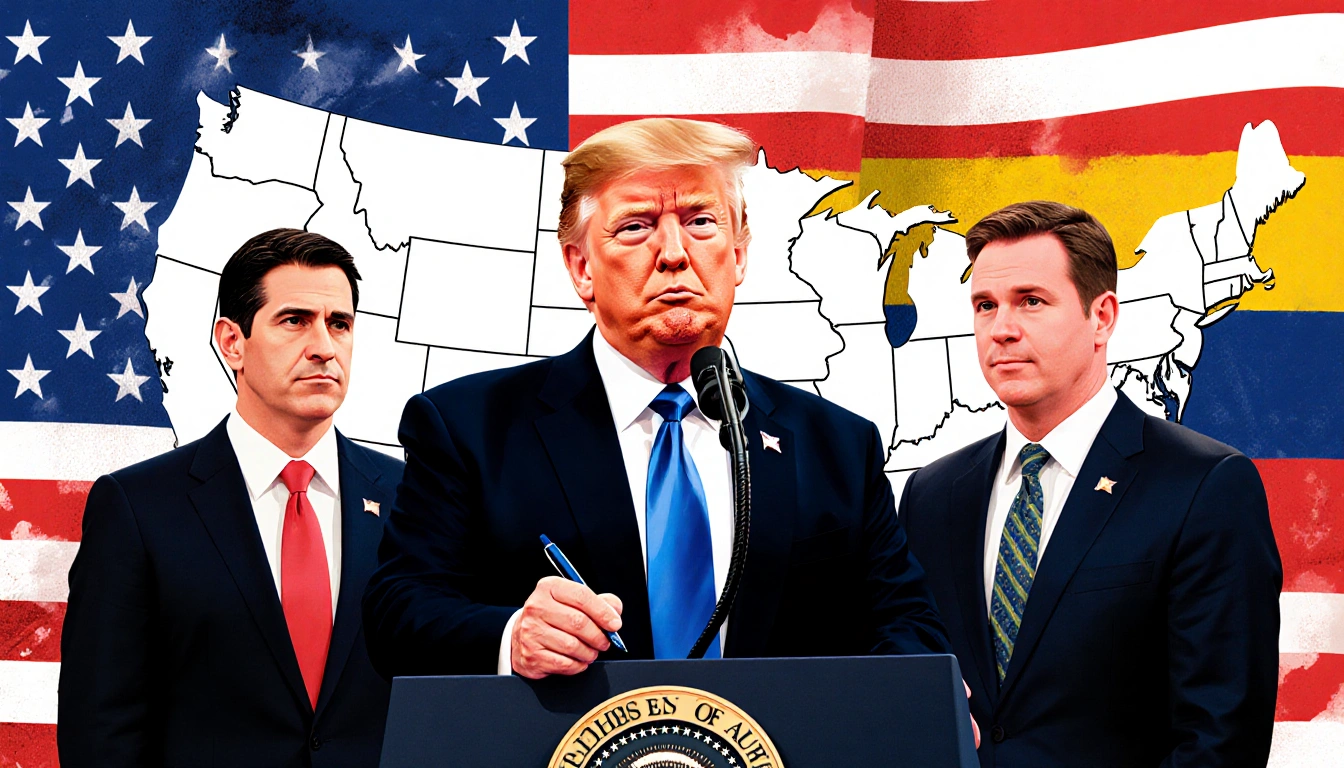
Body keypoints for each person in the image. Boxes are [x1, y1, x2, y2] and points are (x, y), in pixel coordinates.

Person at [363, 118, 952, 681]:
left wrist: (907, 697)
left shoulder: (839, 445)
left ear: (739, 254)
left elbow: (908, 626)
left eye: (701, 222)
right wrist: (513, 634)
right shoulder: (469, 428)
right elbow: (398, 613)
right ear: (581, 267)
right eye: (637, 226)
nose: (674, 253)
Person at [900, 201, 1282, 766]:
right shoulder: (933, 496)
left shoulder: (1204, 487)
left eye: (1031, 301)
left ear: (1101, 317)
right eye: (985, 305)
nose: (1001, 329)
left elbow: (1220, 739)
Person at [59, 229, 403, 768]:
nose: (324, 346)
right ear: (231, 342)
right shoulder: (137, 508)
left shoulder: (414, 499)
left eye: (340, 324)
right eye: (295, 321)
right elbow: (100, 735)